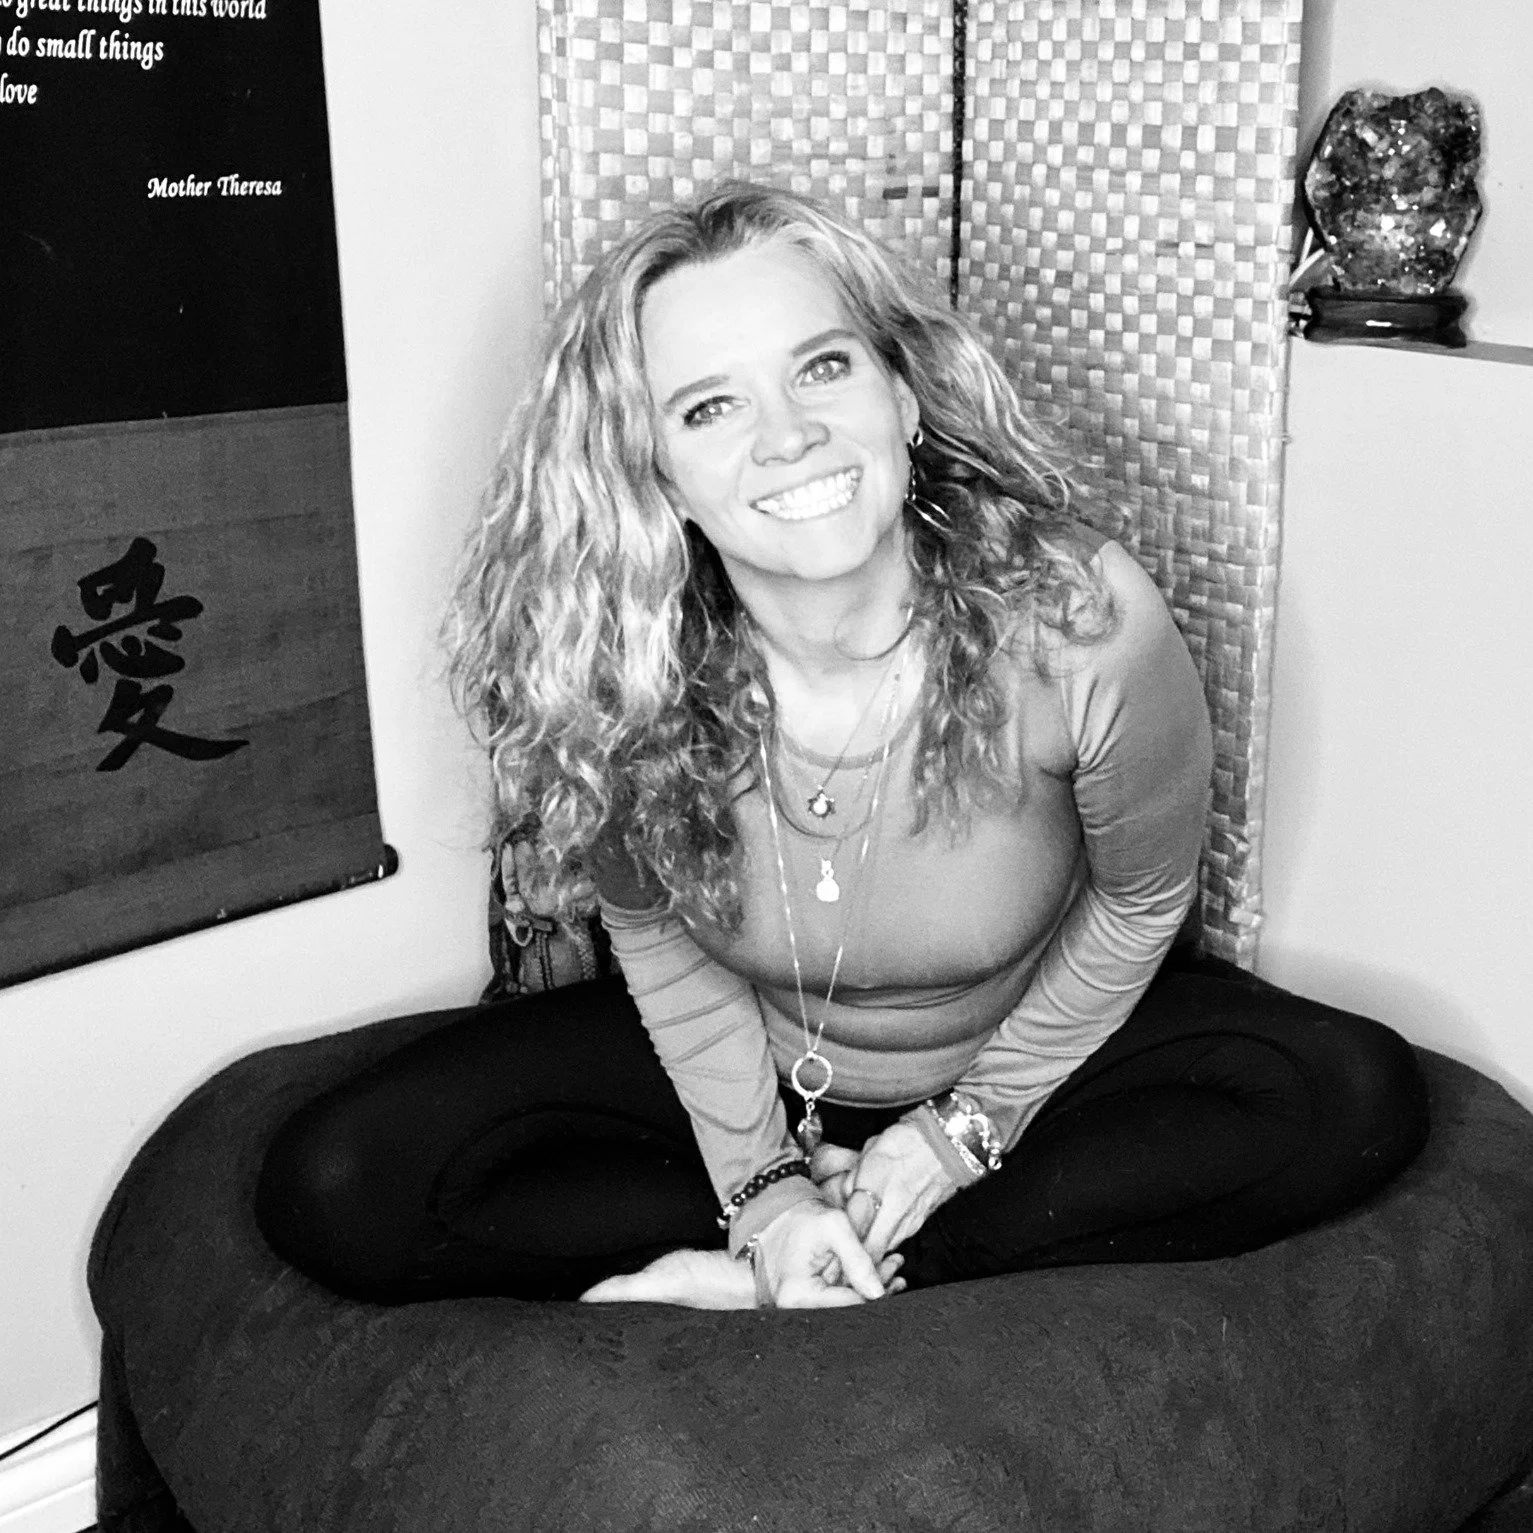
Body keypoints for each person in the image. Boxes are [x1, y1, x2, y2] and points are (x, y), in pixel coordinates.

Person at [255, 182, 1429, 1311]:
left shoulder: (1082, 621)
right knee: (338, 1184)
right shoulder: (614, 669)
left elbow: (1141, 905)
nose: (790, 437)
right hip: (743, 1084)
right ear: (653, 476)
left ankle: (860, 1264)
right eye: (710, 407)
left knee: (1351, 1094)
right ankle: (801, 1260)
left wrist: (955, 1140)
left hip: (1021, 1082)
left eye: (823, 368)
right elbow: (659, 940)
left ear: (902, 400)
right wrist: (764, 1193)